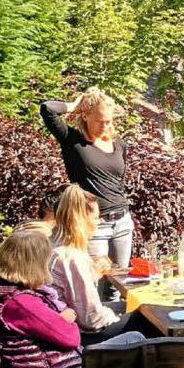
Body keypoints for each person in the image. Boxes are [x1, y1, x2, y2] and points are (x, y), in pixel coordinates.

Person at [0, 229, 142, 368]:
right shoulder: (20, 303)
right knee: (138, 341)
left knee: (135, 338)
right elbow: (72, 338)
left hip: (39, 366)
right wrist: (66, 316)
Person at [41, 89, 133, 268]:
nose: (105, 126)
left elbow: (119, 181)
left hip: (123, 222)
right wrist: (74, 105)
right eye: (99, 121)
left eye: (108, 121)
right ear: (85, 116)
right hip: (93, 225)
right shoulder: (73, 141)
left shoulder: (119, 144)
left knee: (120, 285)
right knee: (93, 283)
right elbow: (47, 109)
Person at [51, 185, 131, 344]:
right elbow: (91, 320)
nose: (99, 222)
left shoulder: (52, 243)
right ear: (81, 220)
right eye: (95, 218)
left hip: (63, 323)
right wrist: (113, 316)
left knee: (127, 307)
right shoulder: (71, 257)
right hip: (78, 335)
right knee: (144, 320)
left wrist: (92, 273)